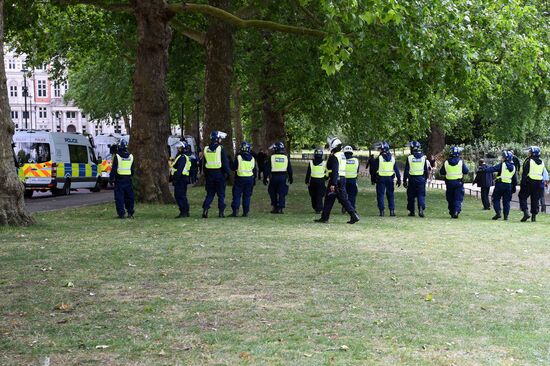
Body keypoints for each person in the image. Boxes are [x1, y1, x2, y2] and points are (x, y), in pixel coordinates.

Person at [314, 137, 360, 224]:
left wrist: (333, 184)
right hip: (341, 179)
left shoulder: (335, 156)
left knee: (342, 199)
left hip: (336, 180)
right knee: (330, 198)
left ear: (334, 146)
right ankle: (324, 217)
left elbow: (335, 170)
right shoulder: (342, 155)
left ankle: (353, 215)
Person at [479, 151, 517, 220]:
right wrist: (513, 187)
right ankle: (506, 216)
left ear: (505, 158)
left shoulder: (502, 165)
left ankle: (498, 213)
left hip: (500, 185)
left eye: (502, 157)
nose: (501, 158)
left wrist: (484, 169)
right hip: (508, 186)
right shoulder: (514, 167)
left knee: (495, 199)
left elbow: (493, 169)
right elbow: (515, 179)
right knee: (506, 201)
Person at [202, 131, 231, 218]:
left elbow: (204, 164)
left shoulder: (206, 148)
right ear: (217, 139)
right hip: (219, 174)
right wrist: (228, 173)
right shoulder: (220, 148)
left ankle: (205, 209)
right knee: (221, 194)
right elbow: (225, 163)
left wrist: (206, 174)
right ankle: (221, 212)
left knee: (210, 194)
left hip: (209, 174)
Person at [372, 142, 401, 216]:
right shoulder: (392, 158)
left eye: (380, 149)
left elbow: (374, 169)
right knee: (391, 195)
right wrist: (399, 179)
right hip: (390, 179)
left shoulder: (379, 158)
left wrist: (373, 179)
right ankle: (392, 211)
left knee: (380, 195)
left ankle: (382, 211)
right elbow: (396, 169)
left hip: (381, 179)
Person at [439, 146, 469, 219]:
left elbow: (441, 172)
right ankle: (456, 211)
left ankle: (452, 211)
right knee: (457, 198)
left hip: (449, 183)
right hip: (458, 183)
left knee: (450, 198)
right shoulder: (460, 162)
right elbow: (466, 171)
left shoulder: (446, 162)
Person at [263, 141, 293, 214]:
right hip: (283, 177)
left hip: (273, 177)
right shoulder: (286, 158)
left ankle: (275, 207)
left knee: (272, 192)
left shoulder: (272, 158)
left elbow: (267, 169)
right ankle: (281, 208)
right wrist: (290, 177)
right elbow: (289, 169)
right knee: (282, 193)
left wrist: (265, 178)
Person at [518, 146, 546, 222]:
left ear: (532, 153)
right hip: (539, 184)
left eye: (529, 152)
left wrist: (522, 184)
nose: (528, 153)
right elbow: (542, 173)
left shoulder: (528, 160)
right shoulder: (542, 162)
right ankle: (533, 218)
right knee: (535, 200)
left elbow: (524, 173)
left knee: (522, 196)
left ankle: (525, 212)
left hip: (529, 183)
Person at [109, 140, 135, 219]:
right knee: (129, 197)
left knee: (119, 197)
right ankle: (130, 212)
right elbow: (133, 169)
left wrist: (111, 179)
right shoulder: (131, 156)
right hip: (128, 179)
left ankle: (121, 213)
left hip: (119, 179)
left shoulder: (117, 156)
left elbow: (114, 169)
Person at [230, 141, 257, 217]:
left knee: (237, 195)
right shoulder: (252, 158)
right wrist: (254, 180)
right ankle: (246, 212)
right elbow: (255, 170)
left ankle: (235, 211)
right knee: (247, 196)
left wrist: (230, 162)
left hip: (240, 179)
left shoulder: (238, 157)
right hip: (250, 179)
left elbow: (233, 168)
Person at [403, 141, 429, 217]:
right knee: (421, 195)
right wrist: (425, 179)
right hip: (421, 179)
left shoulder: (410, 158)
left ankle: (412, 211)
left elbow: (406, 170)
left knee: (411, 196)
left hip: (412, 179)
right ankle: (421, 209)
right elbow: (425, 170)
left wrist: (404, 180)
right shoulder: (423, 157)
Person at [171, 141, 191, 218]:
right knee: (182, 195)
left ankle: (183, 212)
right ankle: (185, 211)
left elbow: (180, 169)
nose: (178, 149)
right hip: (182, 178)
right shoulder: (182, 156)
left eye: (179, 148)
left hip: (181, 179)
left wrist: (176, 179)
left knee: (179, 195)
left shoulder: (182, 157)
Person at [305, 148, 326, 214]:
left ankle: (315, 207)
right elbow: (326, 172)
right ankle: (319, 209)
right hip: (321, 181)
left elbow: (308, 172)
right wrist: (326, 178)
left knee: (313, 195)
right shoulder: (324, 163)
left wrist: (307, 181)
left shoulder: (311, 162)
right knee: (319, 195)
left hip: (313, 181)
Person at [344, 146, 359, 211]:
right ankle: (352, 207)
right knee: (352, 195)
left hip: (343, 180)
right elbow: (357, 170)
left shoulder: (342, 160)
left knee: (344, 195)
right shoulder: (356, 160)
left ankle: (345, 207)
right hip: (353, 180)